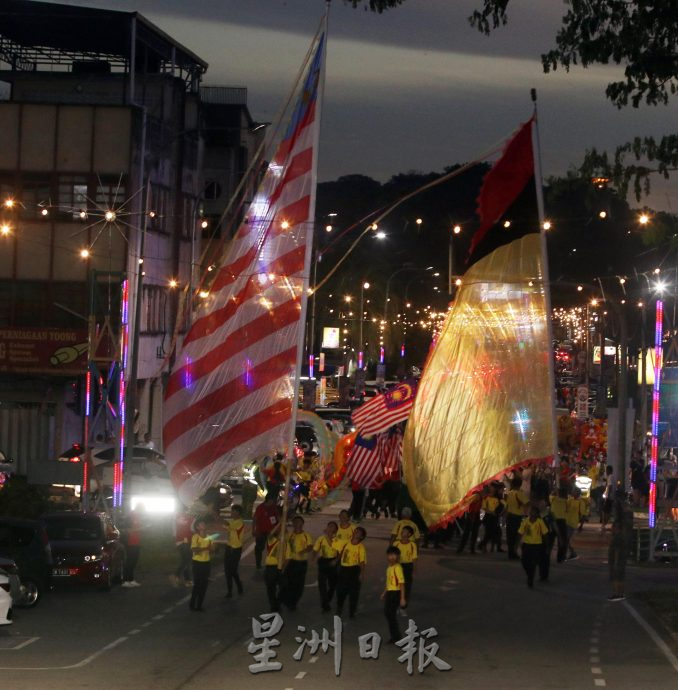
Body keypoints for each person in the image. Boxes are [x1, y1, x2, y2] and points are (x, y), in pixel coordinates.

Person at [282, 515, 313, 610]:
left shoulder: (306, 535)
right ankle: (288, 600)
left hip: (301, 563)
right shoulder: (290, 535)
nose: (297, 524)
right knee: (288, 582)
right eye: (295, 522)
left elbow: (310, 547)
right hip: (290, 562)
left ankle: (293, 602)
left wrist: (303, 551)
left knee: (298, 584)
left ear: (302, 524)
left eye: (299, 522)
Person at [336, 526, 367, 619]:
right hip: (344, 569)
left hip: (354, 570)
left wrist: (362, 573)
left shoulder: (360, 547)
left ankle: (352, 612)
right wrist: (337, 562)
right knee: (341, 590)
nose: (356, 532)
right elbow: (341, 553)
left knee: (353, 592)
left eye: (359, 532)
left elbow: (362, 562)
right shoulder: (346, 543)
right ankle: (339, 607)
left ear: (361, 537)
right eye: (356, 531)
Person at [608, 497, 633, 601]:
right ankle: (619, 592)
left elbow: (617, 535)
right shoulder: (628, 520)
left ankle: (617, 593)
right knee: (620, 570)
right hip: (624, 546)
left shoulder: (620, 523)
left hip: (619, 547)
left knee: (616, 570)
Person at [518, 505, 549, 588]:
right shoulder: (525, 521)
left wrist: (547, 546)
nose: (532, 513)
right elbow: (520, 533)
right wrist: (516, 545)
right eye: (531, 511)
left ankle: (530, 578)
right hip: (526, 544)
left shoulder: (540, 522)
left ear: (537, 514)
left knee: (533, 563)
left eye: (534, 512)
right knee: (524, 561)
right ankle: (529, 575)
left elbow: (545, 534)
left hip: (537, 545)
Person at [381, 546, 406, 644]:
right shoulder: (389, 567)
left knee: (390, 614)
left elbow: (401, 583)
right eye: (390, 555)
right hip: (390, 592)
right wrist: (384, 593)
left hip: (395, 593)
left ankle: (396, 636)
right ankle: (395, 635)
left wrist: (402, 598)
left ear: (397, 556)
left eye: (394, 555)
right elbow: (389, 582)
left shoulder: (397, 568)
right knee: (388, 614)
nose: (391, 557)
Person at [313, 521, 340, 612]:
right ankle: (325, 604)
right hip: (323, 561)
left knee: (333, 584)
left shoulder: (337, 539)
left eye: (332, 526)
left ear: (336, 530)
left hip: (333, 561)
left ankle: (327, 599)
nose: (330, 528)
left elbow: (340, 552)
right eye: (329, 526)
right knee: (322, 584)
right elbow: (315, 549)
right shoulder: (321, 539)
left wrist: (336, 561)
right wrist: (313, 559)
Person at [190, 520, 214, 611]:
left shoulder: (209, 537)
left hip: (206, 563)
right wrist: (205, 548)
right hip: (197, 563)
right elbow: (194, 549)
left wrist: (213, 549)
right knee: (197, 584)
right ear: (197, 527)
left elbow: (212, 550)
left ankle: (199, 605)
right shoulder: (195, 537)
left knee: (204, 584)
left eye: (204, 523)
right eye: (201, 524)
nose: (204, 525)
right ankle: (192, 604)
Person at [252, 493, 281, 570]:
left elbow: (278, 518)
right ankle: (258, 564)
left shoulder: (273, 508)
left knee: (272, 548)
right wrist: (253, 529)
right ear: (269, 500)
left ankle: (272, 563)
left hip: (272, 532)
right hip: (261, 532)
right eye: (273, 500)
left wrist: (278, 529)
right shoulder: (260, 508)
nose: (274, 501)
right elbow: (255, 519)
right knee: (259, 548)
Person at [263, 524, 287, 612]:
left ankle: (277, 603)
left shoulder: (284, 542)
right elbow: (270, 535)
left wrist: (283, 568)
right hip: (271, 567)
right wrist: (281, 523)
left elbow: (287, 557)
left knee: (284, 587)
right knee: (271, 588)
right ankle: (274, 606)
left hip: (280, 568)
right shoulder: (272, 540)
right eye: (278, 530)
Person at [223, 504, 245, 598]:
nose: (231, 513)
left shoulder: (240, 522)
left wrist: (219, 518)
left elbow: (229, 527)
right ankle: (230, 592)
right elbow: (228, 525)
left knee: (232, 570)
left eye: (233, 511)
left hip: (236, 549)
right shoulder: (233, 521)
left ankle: (239, 586)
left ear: (237, 512)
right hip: (229, 548)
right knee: (227, 571)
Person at [505, 477, 528, 560]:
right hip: (517, 516)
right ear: (520, 484)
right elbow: (526, 503)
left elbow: (507, 506)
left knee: (510, 535)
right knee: (516, 536)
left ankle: (510, 552)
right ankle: (513, 553)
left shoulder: (510, 493)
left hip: (510, 516)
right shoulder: (519, 493)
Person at [396, 525, 417, 615]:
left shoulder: (412, 545)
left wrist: (414, 571)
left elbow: (414, 558)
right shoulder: (396, 544)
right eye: (402, 531)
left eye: (404, 531)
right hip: (398, 566)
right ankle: (395, 606)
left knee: (406, 588)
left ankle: (403, 607)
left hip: (408, 566)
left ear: (409, 534)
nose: (402, 532)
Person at [122, 505, 144, 587]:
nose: (143, 512)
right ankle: (125, 581)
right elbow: (127, 530)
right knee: (130, 561)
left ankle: (131, 579)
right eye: (142, 509)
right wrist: (141, 529)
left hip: (136, 542)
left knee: (134, 561)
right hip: (130, 542)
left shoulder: (138, 517)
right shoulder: (130, 516)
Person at [171, 506, 193, 587]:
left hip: (179, 540)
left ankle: (187, 580)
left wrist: (175, 540)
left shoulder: (175, 515)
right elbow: (192, 529)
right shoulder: (191, 517)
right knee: (187, 560)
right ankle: (177, 575)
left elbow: (173, 529)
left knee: (185, 560)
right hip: (186, 541)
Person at [479, 483, 504, 553]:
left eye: (493, 487)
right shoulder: (486, 497)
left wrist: (499, 512)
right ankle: (483, 545)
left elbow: (503, 505)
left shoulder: (498, 497)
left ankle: (484, 545)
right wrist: (490, 512)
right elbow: (484, 507)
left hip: (495, 516)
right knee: (489, 532)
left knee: (494, 532)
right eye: (491, 487)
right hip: (488, 517)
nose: (492, 488)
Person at [550, 486, 569, 563]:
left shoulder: (553, 499)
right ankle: (560, 557)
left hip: (553, 520)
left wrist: (554, 492)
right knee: (562, 540)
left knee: (550, 539)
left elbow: (550, 495)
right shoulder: (566, 501)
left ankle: (546, 555)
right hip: (562, 521)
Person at [565, 490, 581, 560]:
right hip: (568, 520)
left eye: (575, 492)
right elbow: (566, 508)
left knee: (567, 538)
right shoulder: (570, 500)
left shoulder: (580, 502)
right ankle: (571, 553)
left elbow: (581, 513)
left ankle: (572, 553)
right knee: (566, 538)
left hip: (573, 522)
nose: (573, 493)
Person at [601, 465, 615, 529]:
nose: (606, 472)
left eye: (606, 470)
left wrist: (607, 495)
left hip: (609, 496)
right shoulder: (610, 477)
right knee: (607, 510)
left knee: (605, 510)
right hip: (609, 496)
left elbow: (610, 486)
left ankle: (604, 523)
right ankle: (604, 523)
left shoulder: (610, 477)